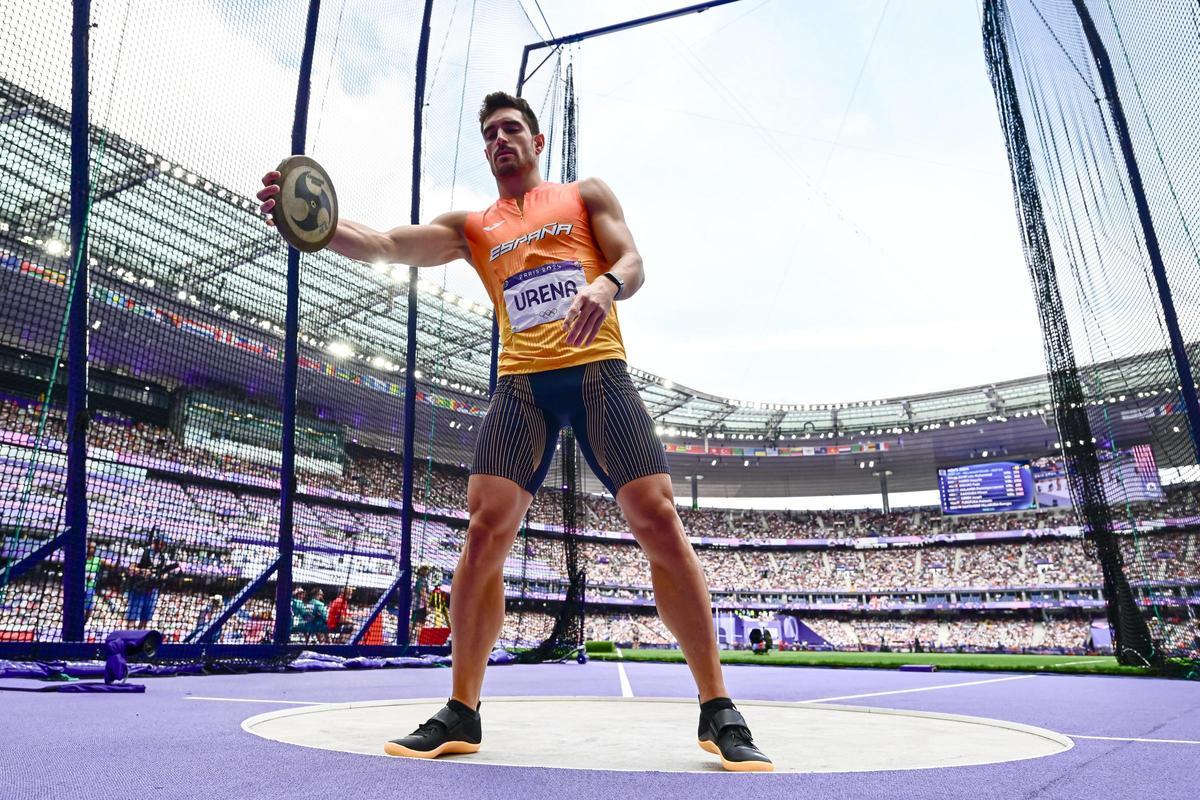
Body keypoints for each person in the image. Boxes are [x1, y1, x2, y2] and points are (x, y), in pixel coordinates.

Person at [257, 91, 771, 772]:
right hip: (521, 386)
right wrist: (311, 219)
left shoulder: (584, 195)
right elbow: (383, 244)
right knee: (484, 527)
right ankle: (461, 710)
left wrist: (605, 287)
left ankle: (717, 707)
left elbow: (633, 261)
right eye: (490, 133)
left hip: (597, 375)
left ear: (535, 142)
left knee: (658, 519)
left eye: (511, 129)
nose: (500, 139)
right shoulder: (475, 226)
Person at [126, 535, 177, 630]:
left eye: (164, 544)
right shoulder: (142, 551)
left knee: (145, 618)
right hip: (139, 587)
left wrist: (161, 576)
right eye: (161, 543)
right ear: (156, 542)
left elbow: (164, 573)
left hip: (152, 590)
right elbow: (131, 569)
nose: (163, 546)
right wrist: (143, 571)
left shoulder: (163, 557)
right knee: (132, 616)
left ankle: (140, 638)